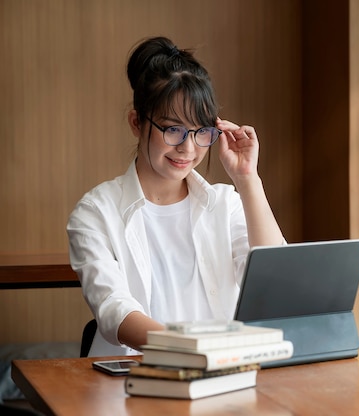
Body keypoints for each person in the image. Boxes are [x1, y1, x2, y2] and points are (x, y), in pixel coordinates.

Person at [67, 36, 284, 356]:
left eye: (201, 133)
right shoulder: (95, 213)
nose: (188, 147)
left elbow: (275, 286)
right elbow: (115, 310)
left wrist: (247, 178)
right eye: (172, 129)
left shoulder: (225, 205)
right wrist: (193, 348)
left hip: (222, 376)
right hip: (132, 382)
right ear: (137, 123)